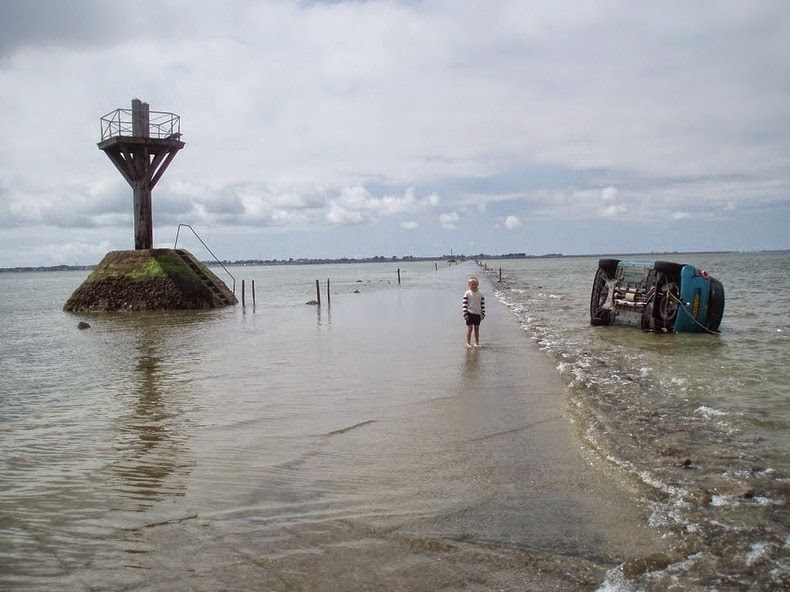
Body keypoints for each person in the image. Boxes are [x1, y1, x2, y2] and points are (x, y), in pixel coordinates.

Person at [462, 275, 485, 347]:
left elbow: (482, 304)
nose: (473, 286)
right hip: (469, 313)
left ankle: (477, 343)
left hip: (477, 314)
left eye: (475, 284)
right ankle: (468, 343)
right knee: (470, 329)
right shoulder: (467, 293)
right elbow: (464, 304)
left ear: (477, 284)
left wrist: (483, 313)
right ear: (469, 285)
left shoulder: (480, 294)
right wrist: (465, 314)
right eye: (472, 285)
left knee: (477, 329)